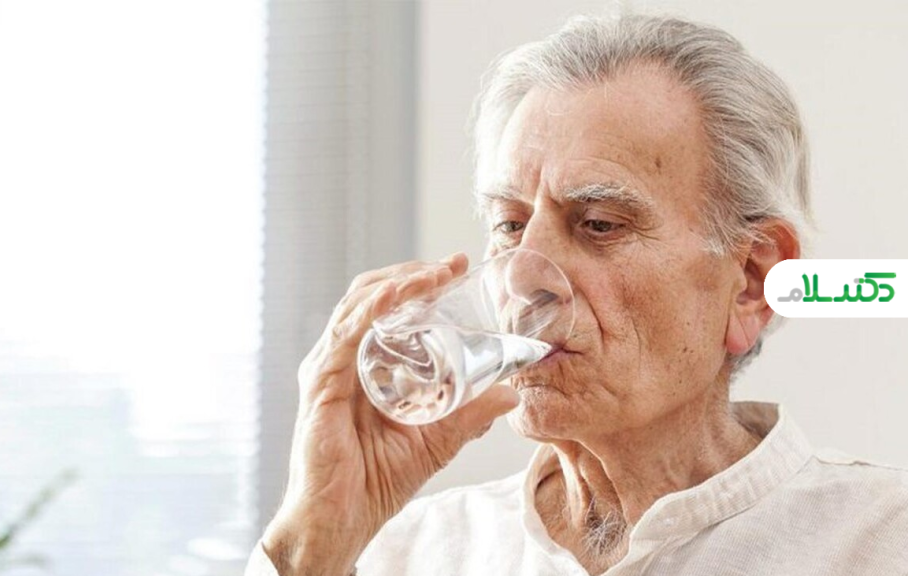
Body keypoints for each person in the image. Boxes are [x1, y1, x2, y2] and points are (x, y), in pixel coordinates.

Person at [245, 13, 907, 576]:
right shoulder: (407, 553)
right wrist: (313, 542)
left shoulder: (880, 542)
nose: (520, 276)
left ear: (753, 283)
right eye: (510, 225)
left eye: (598, 224)